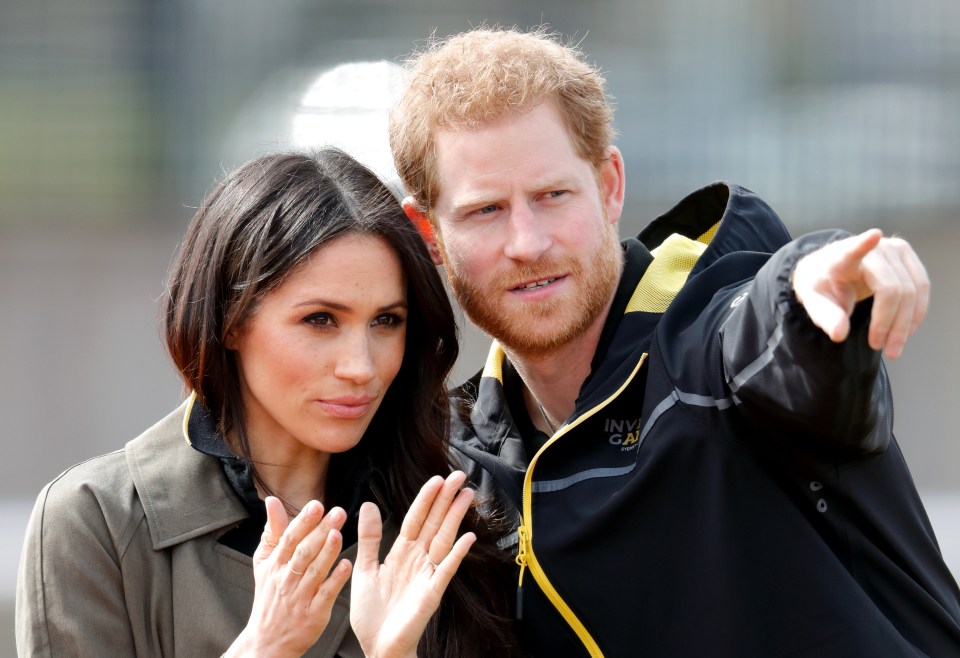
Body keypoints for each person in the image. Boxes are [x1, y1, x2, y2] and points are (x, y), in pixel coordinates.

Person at [389, 26, 960, 657]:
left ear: (609, 187)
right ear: (429, 233)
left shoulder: (708, 345)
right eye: (485, 211)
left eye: (553, 196)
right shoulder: (456, 473)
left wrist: (812, 284)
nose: (528, 242)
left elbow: (768, 328)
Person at [16, 149, 518, 657]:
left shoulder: (443, 516)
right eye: (321, 319)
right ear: (231, 320)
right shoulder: (96, 524)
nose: (361, 367)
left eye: (386, 321)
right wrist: (262, 648)